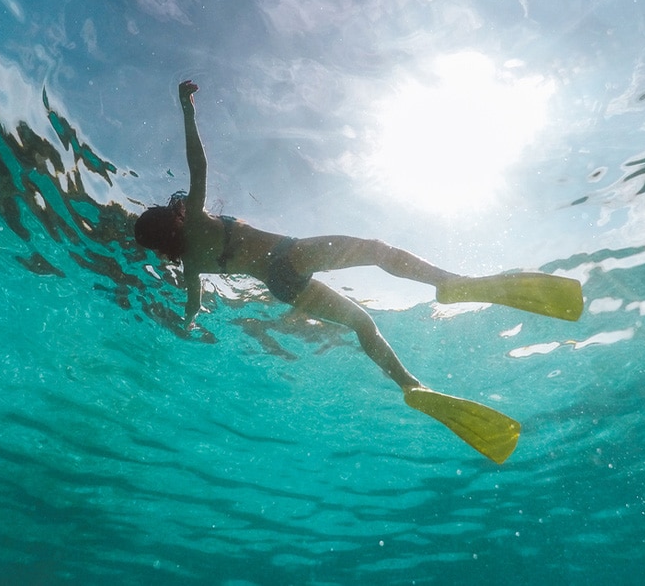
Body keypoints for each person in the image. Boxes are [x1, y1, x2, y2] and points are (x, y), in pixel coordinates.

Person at [134, 80, 583, 463]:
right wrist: (187, 110)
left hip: (280, 285)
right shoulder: (193, 216)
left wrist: (189, 321)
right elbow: (199, 164)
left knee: (360, 322)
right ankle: (450, 284)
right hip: (286, 259)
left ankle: (411, 385)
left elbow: (193, 299)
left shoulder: (190, 262)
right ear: (167, 218)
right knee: (375, 250)